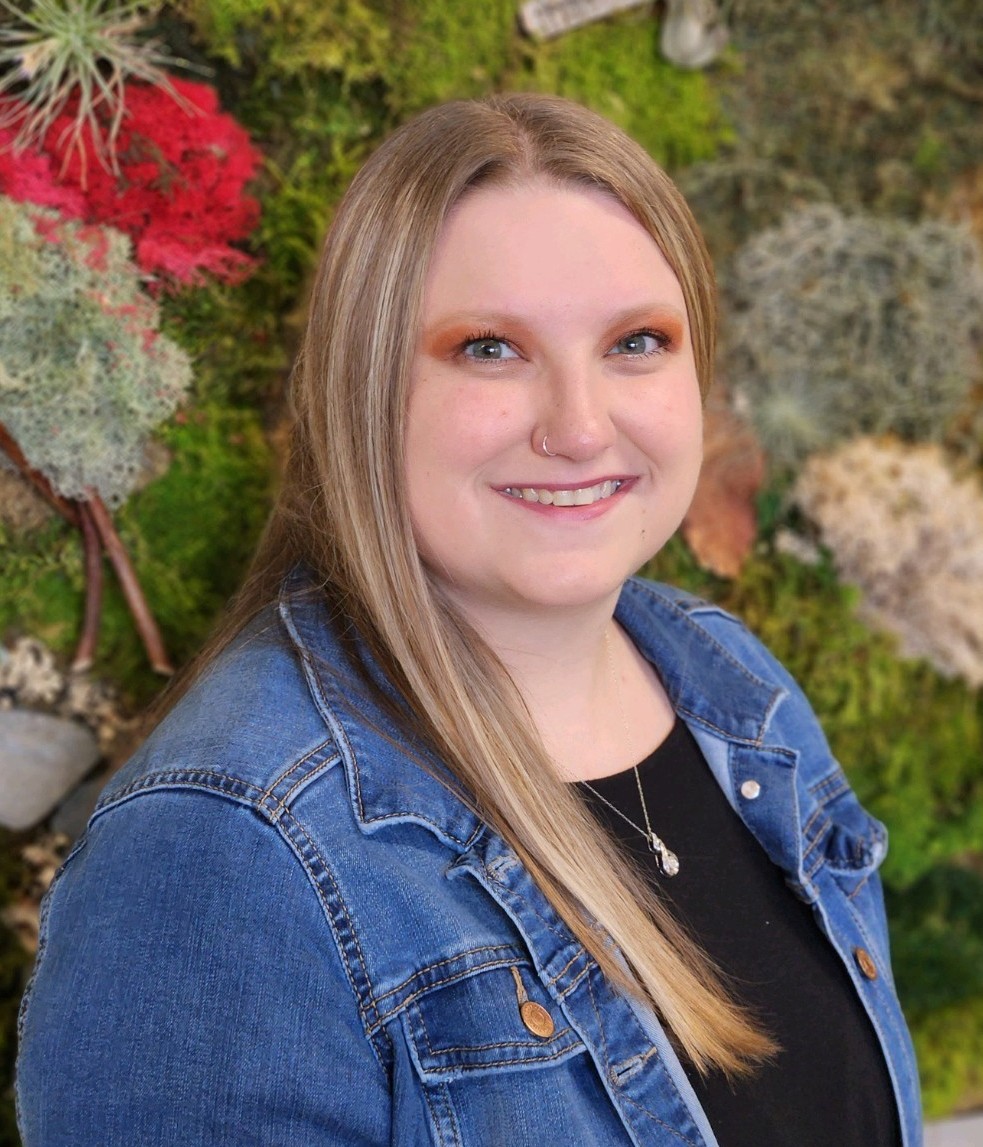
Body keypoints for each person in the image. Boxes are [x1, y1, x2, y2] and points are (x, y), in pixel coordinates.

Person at [16, 93, 920, 1146]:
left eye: (635, 341)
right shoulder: (223, 848)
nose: (580, 427)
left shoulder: (732, 689)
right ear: (363, 390)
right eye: (489, 349)